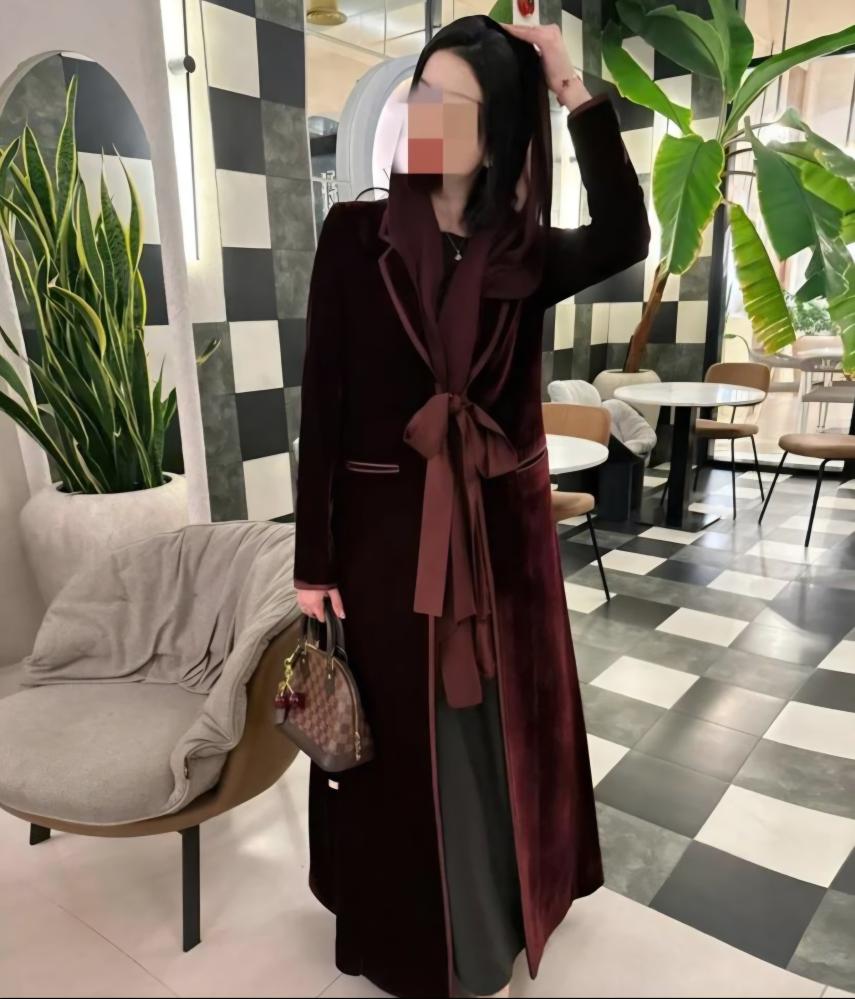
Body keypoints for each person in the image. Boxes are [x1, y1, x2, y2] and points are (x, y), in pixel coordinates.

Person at [293, 14, 650, 999]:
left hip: (495, 553)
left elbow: (626, 234)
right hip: (382, 551)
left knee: (490, 739)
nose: (425, 116)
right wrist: (313, 561)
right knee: (392, 747)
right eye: (420, 92)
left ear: (495, 136)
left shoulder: (521, 256)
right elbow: (323, 402)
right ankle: (398, 942)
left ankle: (487, 931)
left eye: (451, 103)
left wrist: (570, 85)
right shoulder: (353, 236)